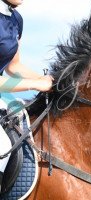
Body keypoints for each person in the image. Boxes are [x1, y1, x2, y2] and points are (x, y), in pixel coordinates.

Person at [0, 0, 53, 191]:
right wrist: (35, 84)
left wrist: (44, 79)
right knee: (2, 144)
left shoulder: (16, 19)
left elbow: (13, 67)